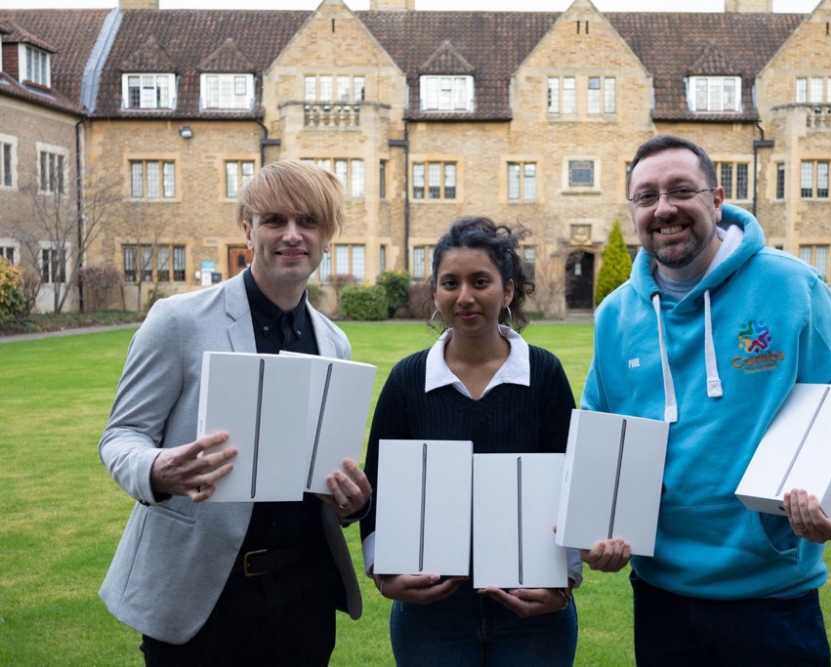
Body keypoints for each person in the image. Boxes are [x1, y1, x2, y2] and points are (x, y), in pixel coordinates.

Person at [581, 135, 831, 665]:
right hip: (662, 596)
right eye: (646, 196)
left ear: (716, 199)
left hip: (772, 594)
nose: (664, 208)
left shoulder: (791, 285)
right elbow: (602, 434)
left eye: (680, 190)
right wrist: (595, 532)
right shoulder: (615, 315)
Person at [98, 160, 371, 665]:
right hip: (199, 595)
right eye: (275, 220)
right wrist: (158, 469)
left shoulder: (334, 343)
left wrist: (349, 502)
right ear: (248, 230)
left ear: (327, 237)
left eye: (308, 221)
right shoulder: (178, 322)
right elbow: (122, 435)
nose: (292, 235)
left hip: (304, 596)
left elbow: (323, 471)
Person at [360, 217, 580, 666]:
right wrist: (382, 572)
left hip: (533, 608)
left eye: (480, 281)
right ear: (435, 292)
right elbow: (377, 484)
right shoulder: (407, 379)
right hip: (431, 612)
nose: (464, 296)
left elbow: (570, 482)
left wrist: (565, 582)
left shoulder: (545, 374)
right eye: (450, 283)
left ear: (508, 291)